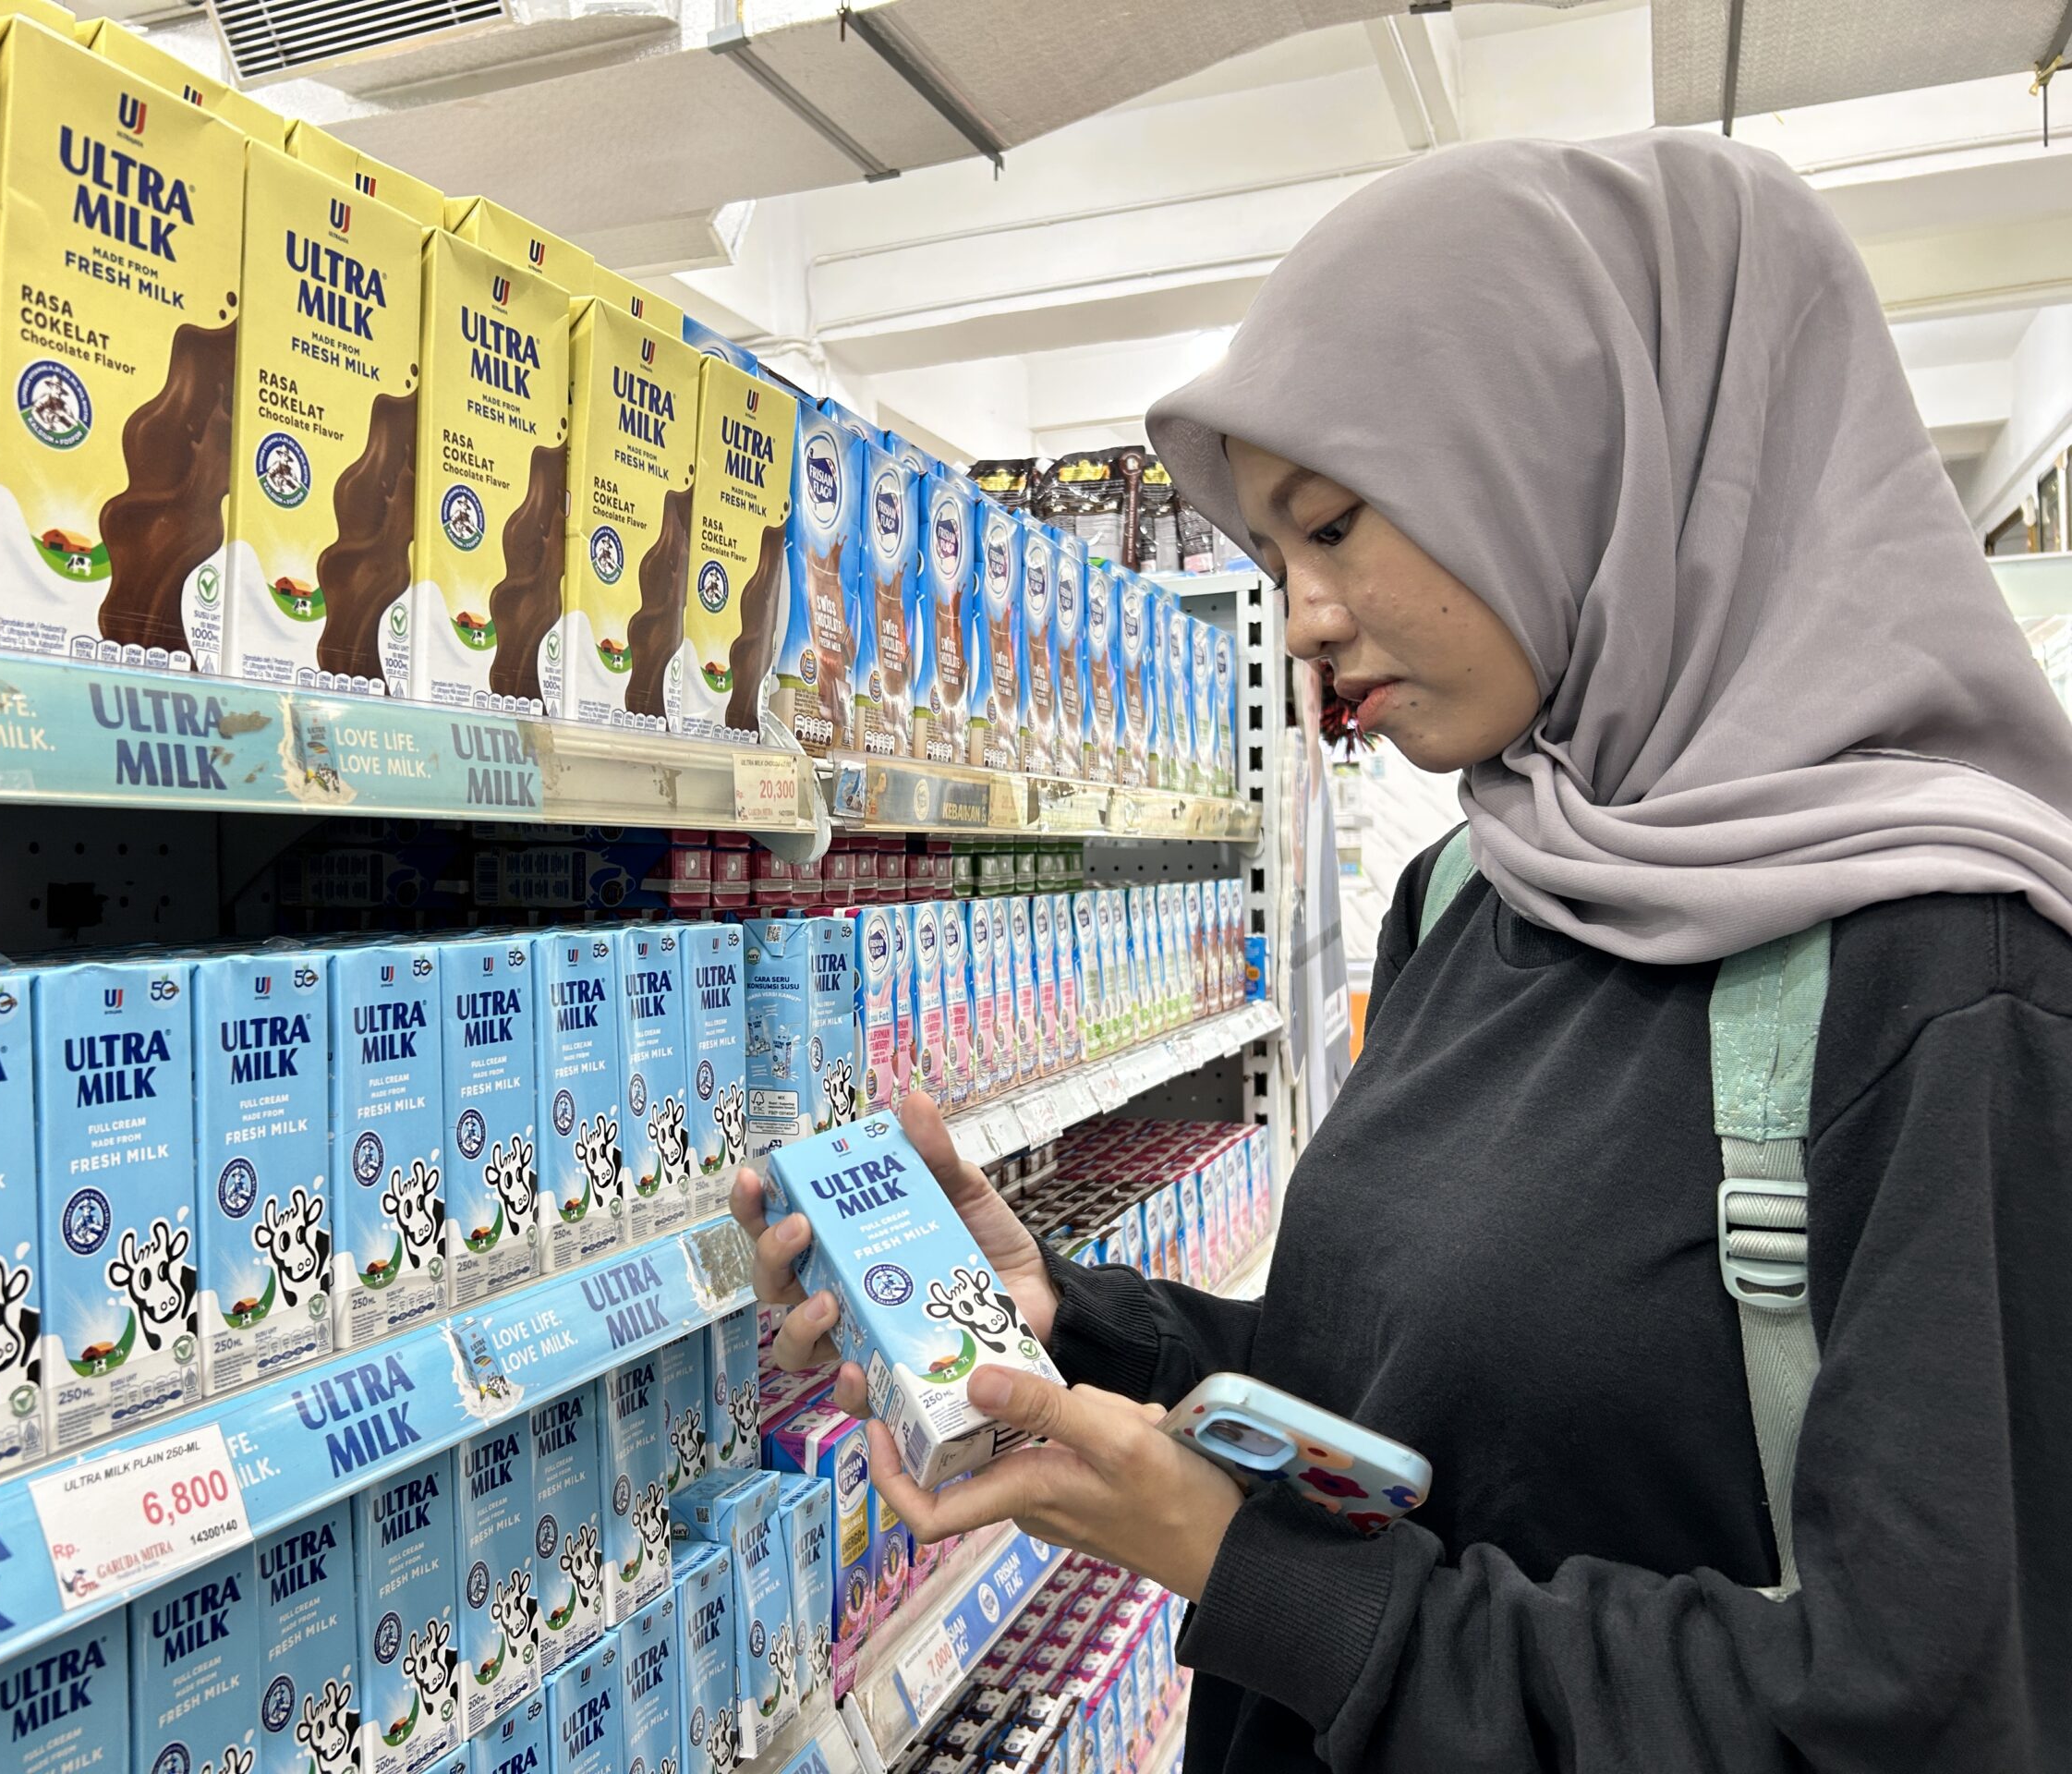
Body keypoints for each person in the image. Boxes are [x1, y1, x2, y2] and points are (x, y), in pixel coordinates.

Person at [732, 130, 2072, 1771]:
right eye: (1273, 560)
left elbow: (1935, 1708)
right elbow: (1395, 1400)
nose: (1299, 619)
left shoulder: (1950, 982)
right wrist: (1061, 1321)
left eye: (1337, 525)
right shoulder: (1469, 896)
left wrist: (1259, 1578)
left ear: (1580, 453)